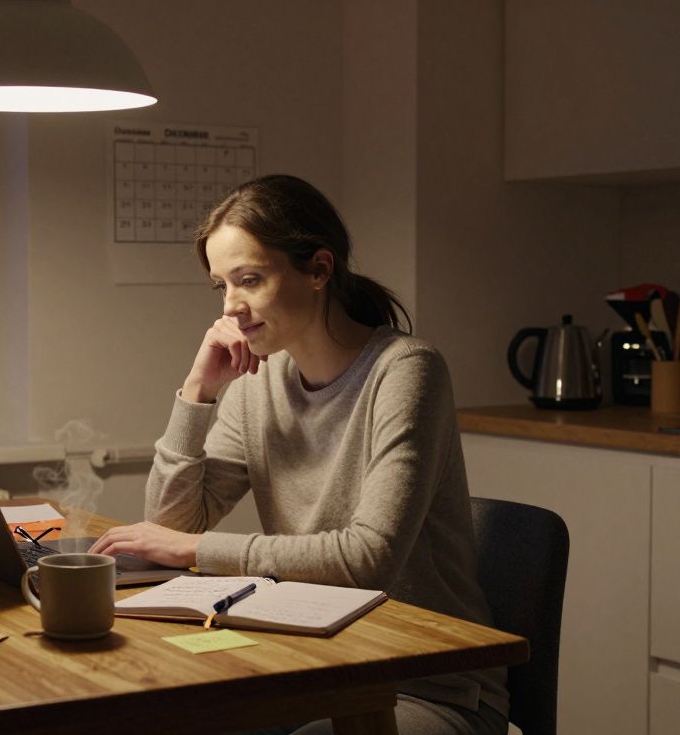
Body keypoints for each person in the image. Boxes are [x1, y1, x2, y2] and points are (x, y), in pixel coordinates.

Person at [89, 175, 508, 735]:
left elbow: (368, 559)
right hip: (311, 663)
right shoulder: (256, 385)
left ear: (318, 269)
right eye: (221, 286)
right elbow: (173, 522)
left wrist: (193, 547)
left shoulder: (407, 371)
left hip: (422, 684)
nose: (232, 308)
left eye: (250, 280)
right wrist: (197, 392)